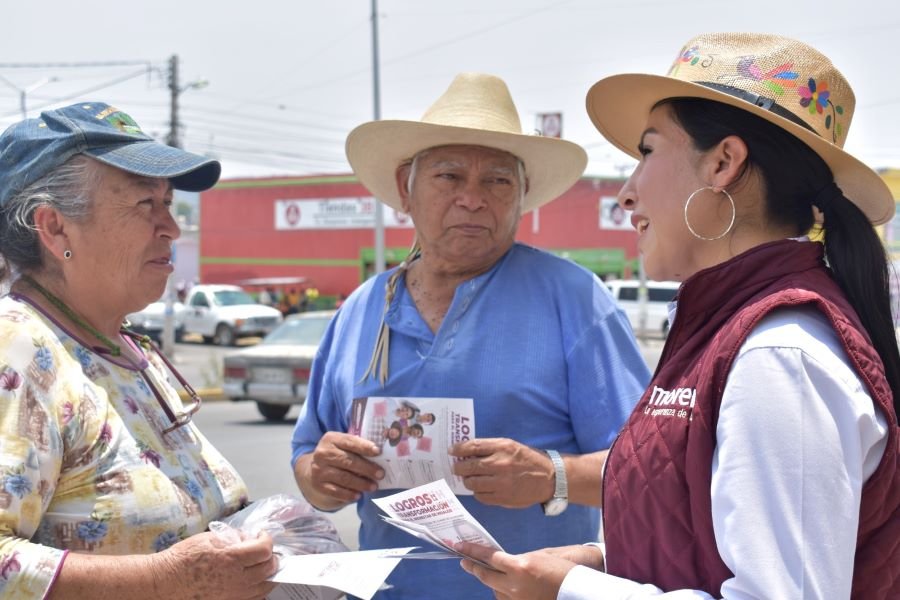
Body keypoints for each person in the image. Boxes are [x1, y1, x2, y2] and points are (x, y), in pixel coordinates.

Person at [458, 33, 899, 599]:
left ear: (723, 163)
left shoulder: (780, 355)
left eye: (646, 152)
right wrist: (603, 559)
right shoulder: (725, 328)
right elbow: (710, 542)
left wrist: (572, 591)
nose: (627, 193)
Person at [290, 72, 650, 599]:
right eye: (449, 177)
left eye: (498, 181)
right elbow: (308, 456)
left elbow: (647, 470)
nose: (473, 199)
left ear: (523, 195)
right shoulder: (361, 309)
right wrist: (321, 477)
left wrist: (552, 474)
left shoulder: (574, 298)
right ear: (403, 190)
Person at [0, 102, 278, 599]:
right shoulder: (18, 348)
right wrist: (168, 579)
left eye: (168, 203)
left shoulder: (126, 347)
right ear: (55, 227)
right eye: (144, 204)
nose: (171, 227)